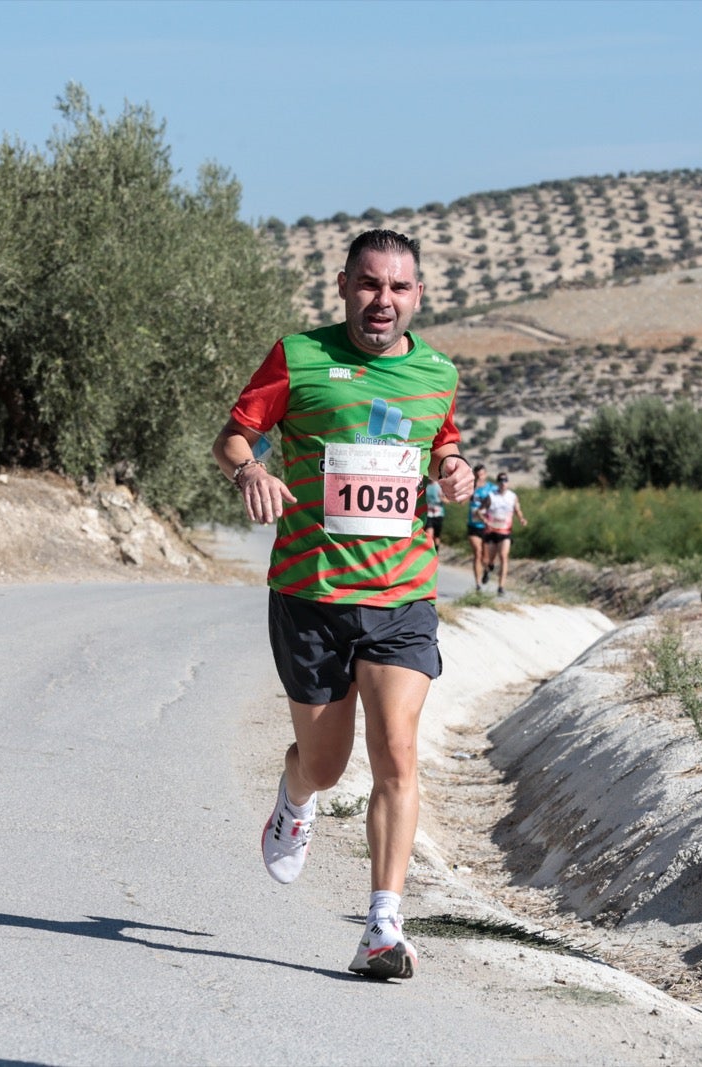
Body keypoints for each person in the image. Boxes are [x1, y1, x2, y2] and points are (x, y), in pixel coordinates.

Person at [211, 229, 475, 981]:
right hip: (311, 593)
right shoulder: (299, 357)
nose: (382, 300)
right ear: (343, 285)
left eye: (397, 287)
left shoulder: (437, 374)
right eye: (368, 284)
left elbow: (443, 444)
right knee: (326, 765)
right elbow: (235, 437)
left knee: (396, 750)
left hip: (401, 595)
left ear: (416, 295)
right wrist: (250, 472)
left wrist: (454, 470)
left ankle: (383, 926)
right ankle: (296, 797)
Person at [476, 471, 526, 595]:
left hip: (505, 531)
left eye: (505, 481)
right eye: (501, 481)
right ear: (498, 483)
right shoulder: (491, 496)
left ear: (508, 482)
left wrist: (521, 519)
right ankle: (488, 570)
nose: (503, 483)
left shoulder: (512, 496)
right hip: (492, 531)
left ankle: (501, 586)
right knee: (490, 560)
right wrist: (484, 520)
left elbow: (517, 510)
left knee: (503, 556)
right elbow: (479, 511)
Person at [466, 464, 492, 586]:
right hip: (473, 525)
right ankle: (477, 584)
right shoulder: (470, 488)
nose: (479, 477)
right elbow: (461, 501)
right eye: (476, 475)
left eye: (481, 475)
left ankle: (486, 570)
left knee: (485, 558)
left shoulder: (491, 489)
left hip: (487, 526)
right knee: (477, 551)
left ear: (485, 474)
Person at [424, 477, 445, 552]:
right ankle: (429, 553)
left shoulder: (439, 486)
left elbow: (447, 501)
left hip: (438, 514)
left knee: (437, 537)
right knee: (429, 534)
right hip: (428, 514)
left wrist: (442, 498)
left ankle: (436, 553)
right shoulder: (425, 486)